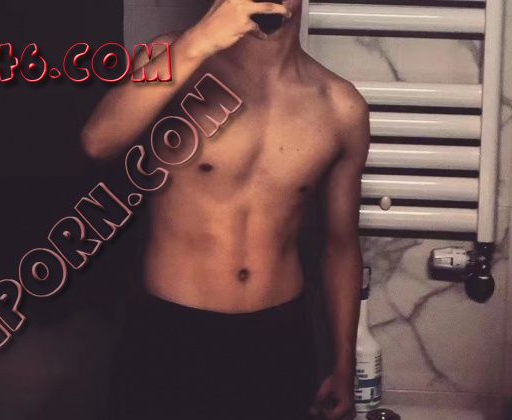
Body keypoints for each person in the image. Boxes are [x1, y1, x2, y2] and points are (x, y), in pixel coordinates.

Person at [81, 1, 370, 419]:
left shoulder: (340, 107)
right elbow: (98, 142)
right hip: (171, 334)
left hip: (278, 340)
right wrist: (201, 39)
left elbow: (340, 247)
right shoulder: (174, 59)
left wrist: (344, 364)